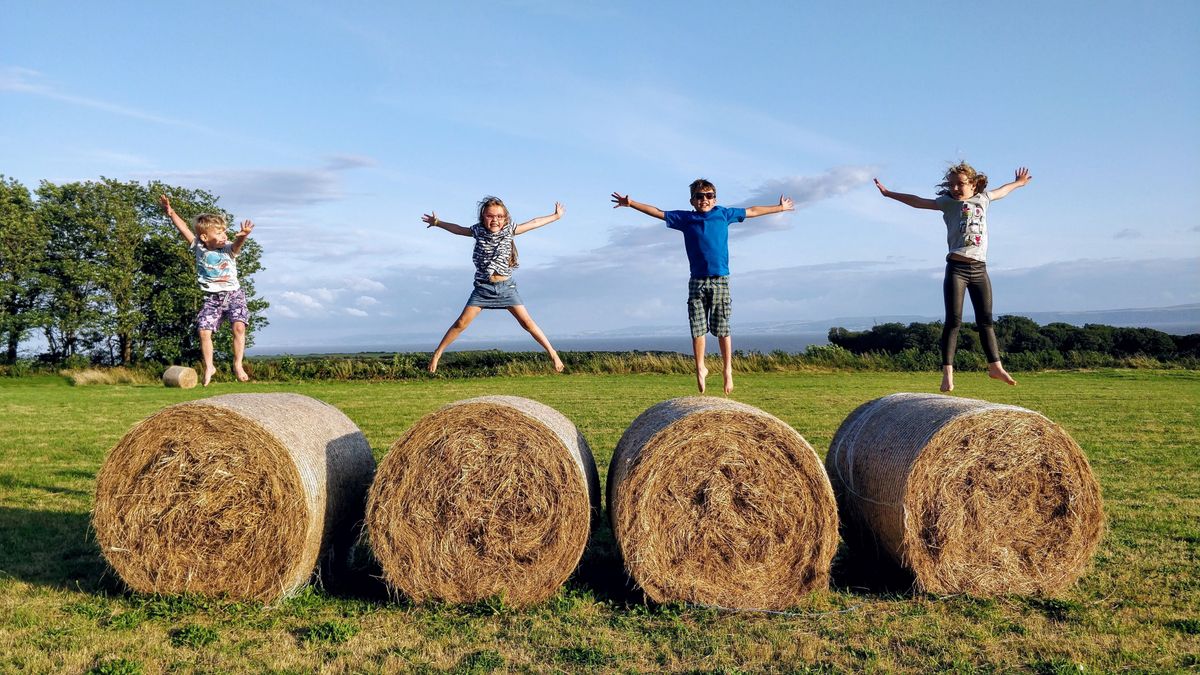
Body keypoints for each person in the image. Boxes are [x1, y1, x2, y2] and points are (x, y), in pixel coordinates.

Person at [611, 179, 794, 394]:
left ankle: (728, 370)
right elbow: (658, 212)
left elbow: (753, 210)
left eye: (708, 195)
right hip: (697, 281)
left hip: (720, 280)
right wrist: (631, 203)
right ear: (692, 200)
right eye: (699, 196)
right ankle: (700, 368)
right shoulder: (687, 219)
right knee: (697, 328)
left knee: (722, 329)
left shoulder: (724, 214)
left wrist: (780, 208)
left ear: (714, 198)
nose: (704, 199)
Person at [874, 162, 1032, 392]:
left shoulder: (984, 199)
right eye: (952, 184)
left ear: (974, 184)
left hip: (979, 269)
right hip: (956, 268)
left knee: (986, 321)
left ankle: (995, 367)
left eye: (961, 184)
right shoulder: (947, 203)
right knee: (953, 321)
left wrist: (1018, 183)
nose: (956, 188)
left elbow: (1003, 190)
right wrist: (888, 194)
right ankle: (948, 374)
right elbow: (918, 201)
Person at [422, 196, 565, 373]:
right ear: (483, 217)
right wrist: (438, 222)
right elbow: (458, 229)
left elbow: (534, 222)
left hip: (506, 288)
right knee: (460, 323)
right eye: (490, 216)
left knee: (527, 323)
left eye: (499, 216)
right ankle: (437, 354)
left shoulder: (510, 230)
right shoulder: (478, 231)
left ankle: (553, 353)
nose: (495, 220)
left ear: (505, 218)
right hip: (483, 288)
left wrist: (555, 216)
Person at [160, 194, 255, 386]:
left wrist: (243, 236)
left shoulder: (228, 249)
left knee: (239, 326)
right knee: (204, 331)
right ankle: (210, 366)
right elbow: (184, 228)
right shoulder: (199, 247)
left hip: (234, 294)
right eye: (219, 233)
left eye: (225, 232)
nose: (224, 236)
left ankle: (237, 364)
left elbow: (237, 245)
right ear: (205, 237)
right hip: (213, 298)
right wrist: (171, 213)